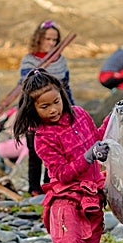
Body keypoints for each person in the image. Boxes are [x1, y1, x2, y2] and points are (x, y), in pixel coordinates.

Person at [13, 69, 107, 243]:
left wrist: (113, 120)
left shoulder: (80, 114)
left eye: (56, 102)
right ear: (33, 109)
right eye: (44, 107)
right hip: (65, 201)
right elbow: (63, 174)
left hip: (91, 197)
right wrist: (88, 156)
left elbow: (96, 137)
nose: (53, 110)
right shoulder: (43, 137)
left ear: (63, 95)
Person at [19, 20, 72, 195]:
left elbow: (66, 87)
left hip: (56, 113)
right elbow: (25, 89)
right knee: (34, 152)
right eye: (48, 39)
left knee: (55, 151)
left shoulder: (60, 61)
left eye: (54, 40)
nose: (51, 43)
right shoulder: (29, 60)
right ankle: (34, 189)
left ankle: (50, 186)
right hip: (35, 112)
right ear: (39, 39)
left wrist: (71, 110)